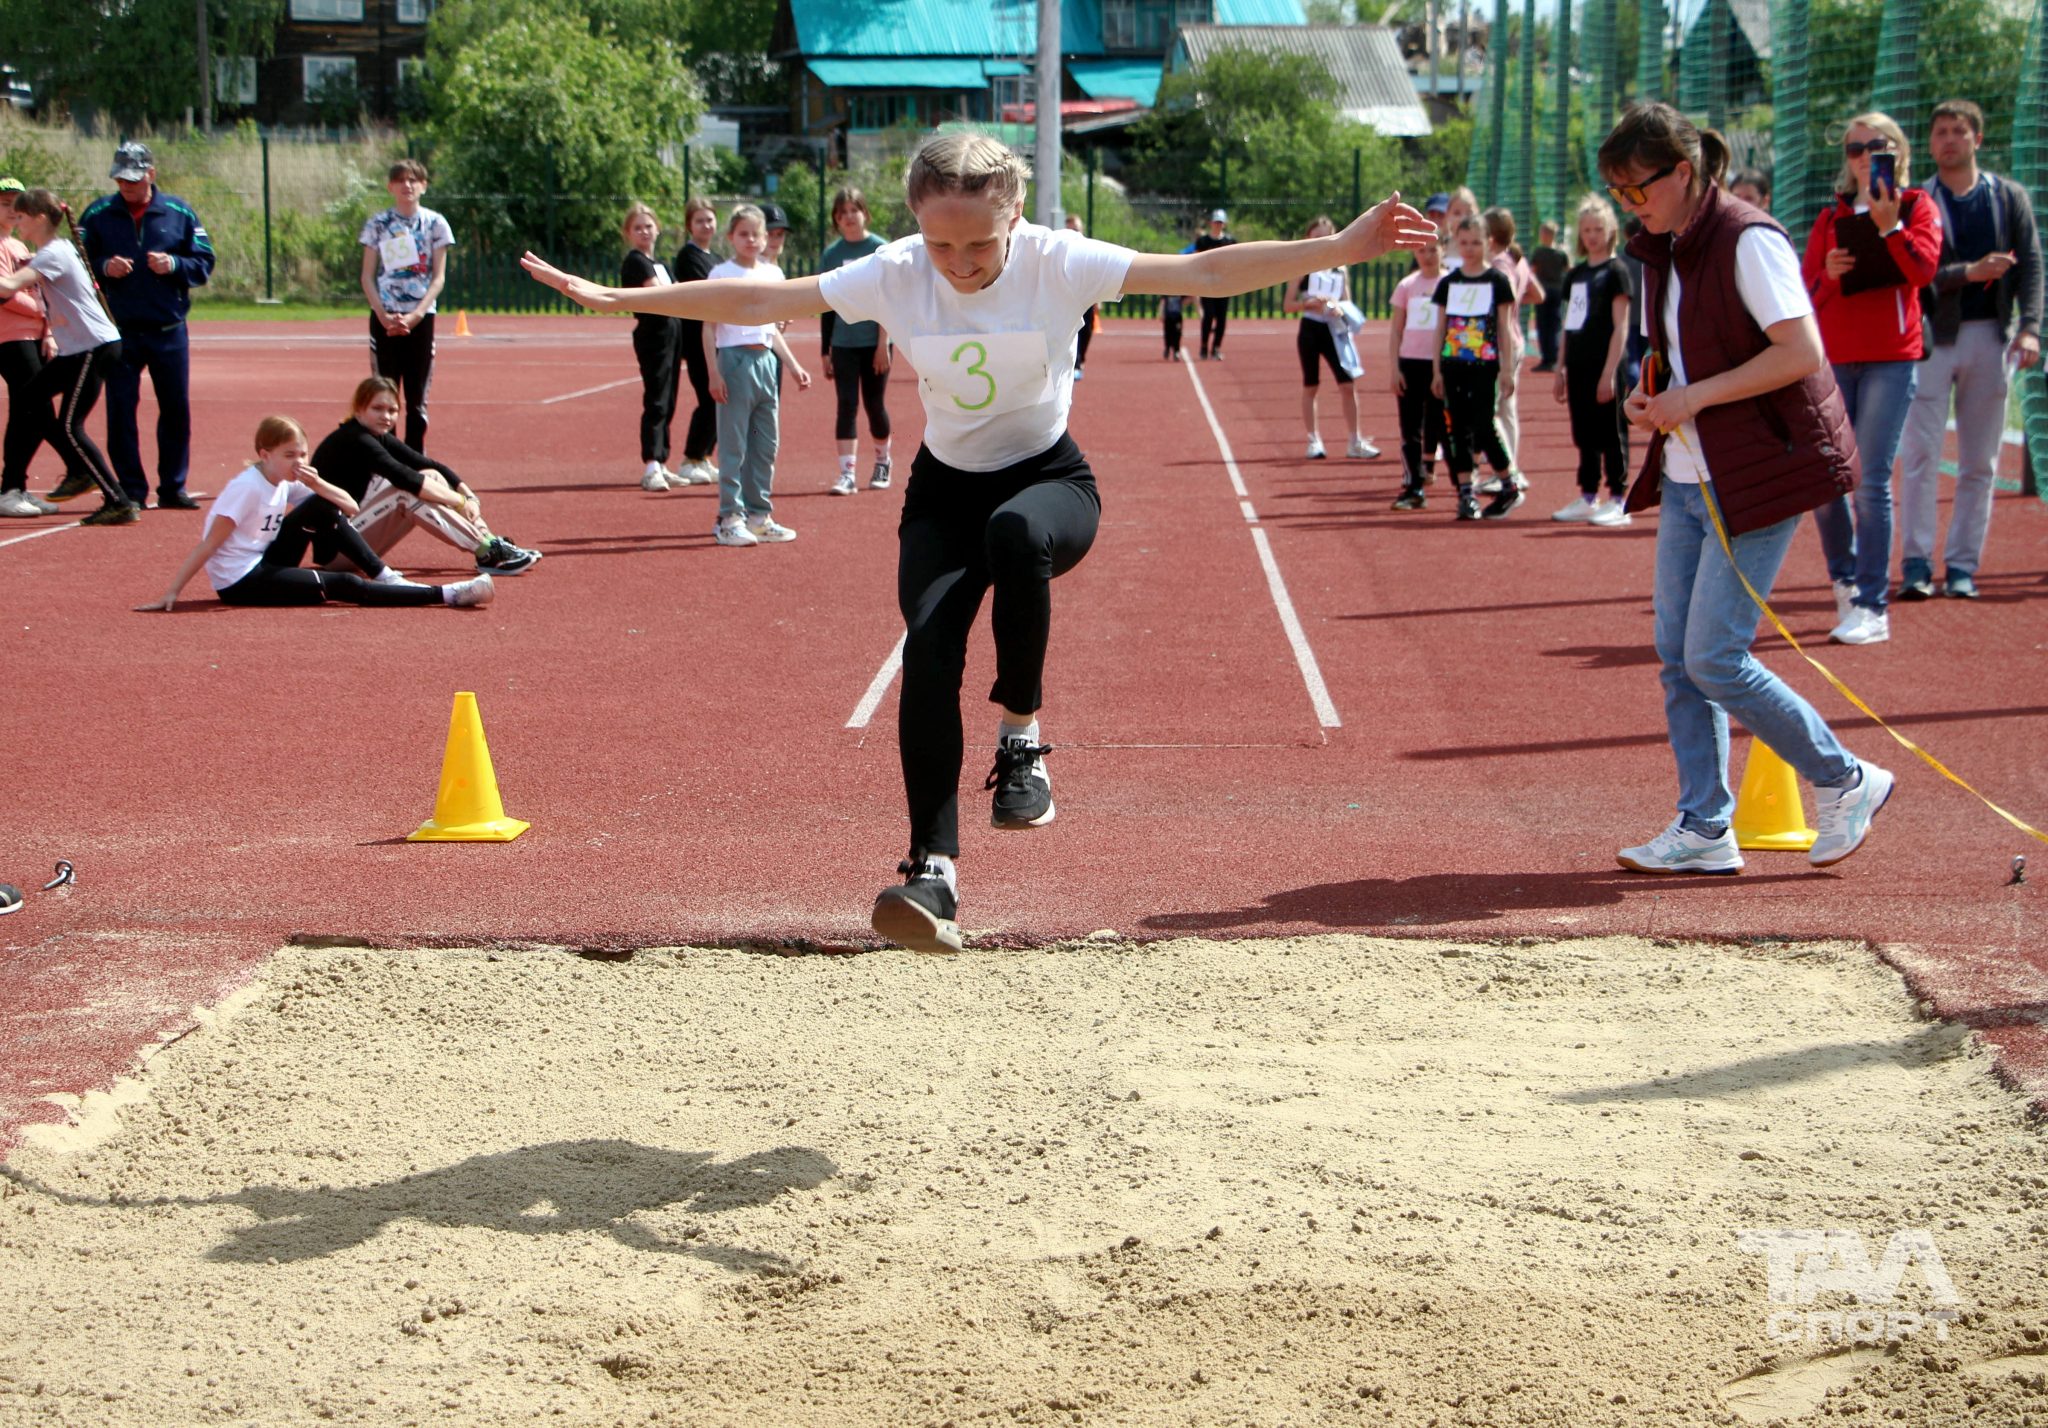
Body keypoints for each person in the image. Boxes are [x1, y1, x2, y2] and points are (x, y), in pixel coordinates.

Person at [521, 131, 1434, 953]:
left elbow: (1200, 274)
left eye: (978, 244)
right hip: (942, 493)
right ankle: (933, 872)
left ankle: (1024, 738)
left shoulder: (1058, 263)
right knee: (928, 653)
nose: (957, 264)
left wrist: (1340, 250)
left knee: (1014, 533)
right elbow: (773, 293)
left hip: (1049, 482)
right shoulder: (895, 270)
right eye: (941, 243)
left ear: (1017, 219)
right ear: (916, 226)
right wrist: (621, 299)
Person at [1600, 101, 1892, 876]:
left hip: (1758, 472)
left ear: (1683, 173)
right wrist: (1653, 390)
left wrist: (1691, 400)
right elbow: (1682, 355)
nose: (1632, 205)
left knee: (1715, 658)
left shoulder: (1747, 238)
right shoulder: (1663, 250)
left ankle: (1845, 778)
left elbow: (1800, 351)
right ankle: (1704, 824)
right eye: (1622, 194)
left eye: (1639, 189)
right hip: (1692, 472)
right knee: (1676, 656)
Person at [1799, 111, 1941, 646]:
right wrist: (1827, 275)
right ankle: (1844, 578)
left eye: (1873, 146)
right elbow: (1804, 293)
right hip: (1835, 358)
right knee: (1827, 479)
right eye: (1854, 148)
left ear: (1896, 151)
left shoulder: (1917, 207)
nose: (1862, 156)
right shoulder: (1828, 216)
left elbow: (1924, 271)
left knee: (1872, 480)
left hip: (1890, 358)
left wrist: (1890, 230)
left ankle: (1872, 603)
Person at [1897, 98, 2042, 602]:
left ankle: (1962, 566)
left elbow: (2033, 268)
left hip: (1992, 339)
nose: (1949, 139)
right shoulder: (1917, 201)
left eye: (1959, 131)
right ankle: (1916, 562)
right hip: (1934, 340)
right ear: (1930, 143)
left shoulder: (2008, 197)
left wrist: (2031, 329)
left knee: (1980, 461)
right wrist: (1967, 274)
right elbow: (1911, 272)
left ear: (1977, 139)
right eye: (1940, 132)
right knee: (1919, 454)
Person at [137, 415, 495, 612]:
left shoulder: (284, 480)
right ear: (265, 454)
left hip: (268, 558)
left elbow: (348, 508)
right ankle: (447, 594)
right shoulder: (246, 489)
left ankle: (386, 575)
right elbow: (208, 546)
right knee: (348, 586)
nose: (299, 462)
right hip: (242, 581)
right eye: (290, 455)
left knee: (322, 506)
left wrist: (318, 482)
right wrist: (172, 593)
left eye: (303, 454)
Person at [76, 141, 213, 510]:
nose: (127, 186)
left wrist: (174, 265)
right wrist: (105, 267)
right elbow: (78, 262)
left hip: (169, 329)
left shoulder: (179, 212)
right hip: (118, 333)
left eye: (134, 179)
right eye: (121, 179)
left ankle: (172, 487)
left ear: (151, 174)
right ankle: (131, 489)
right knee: (120, 410)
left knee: (175, 409)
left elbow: (204, 262)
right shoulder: (98, 213)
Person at [312, 376, 541, 578]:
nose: (386, 416)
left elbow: (429, 465)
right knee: (405, 493)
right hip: (338, 550)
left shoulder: (375, 434)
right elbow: (405, 478)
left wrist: (469, 496)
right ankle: (485, 548)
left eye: (392, 411)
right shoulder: (355, 438)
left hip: (358, 533)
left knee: (432, 476)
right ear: (359, 409)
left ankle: (490, 542)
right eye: (378, 408)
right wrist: (458, 501)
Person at [0, 189, 132, 525]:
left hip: (93, 347)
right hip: (81, 349)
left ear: (41, 218)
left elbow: (8, 287)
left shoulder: (53, 253)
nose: (18, 222)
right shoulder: (51, 251)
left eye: (23, 216)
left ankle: (117, 500)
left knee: (70, 427)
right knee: (29, 398)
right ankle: (24, 483)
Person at [704, 203, 810, 546]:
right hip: (733, 362)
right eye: (743, 233)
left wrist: (793, 366)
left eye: (757, 234)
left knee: (765, 444)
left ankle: (759, 515)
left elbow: (772, 329)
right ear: (731, 237)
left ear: (767, 239)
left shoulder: (773, 276)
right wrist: (713, 374)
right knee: (734, 444)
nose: (751, 240)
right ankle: (728, 517)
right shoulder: (720, 275)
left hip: (765, 362)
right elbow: (708, 328)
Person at [1550, 194, 1634, 526]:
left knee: (1612, 433)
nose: (1592, 235)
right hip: (1579, 365)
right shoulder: (1575, 276)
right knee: (1584, 433)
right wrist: (1560, 368)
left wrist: (1610, 372)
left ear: (1610, 230)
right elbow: (1568, 325)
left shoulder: (1617, 272)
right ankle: (1588, 495)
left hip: (1606, 364)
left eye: (1598, 228)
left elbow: (1621, 325)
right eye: (1586, 229)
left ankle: (1618, 498)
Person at [359, 159, 455, 452]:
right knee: (384, 393)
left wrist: (416, 314)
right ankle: (384, 458)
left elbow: (438, 278)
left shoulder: (436, 224)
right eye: (401, 180)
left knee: (416, 398)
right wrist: (383, 315)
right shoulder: (378, 224)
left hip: (420, 317)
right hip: (385, 317)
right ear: (391, 187)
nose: (407, 185)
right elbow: (367, 275)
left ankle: (414, 459)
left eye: (413, 180)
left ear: (423, 186)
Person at [1431, 215, 1521, 520]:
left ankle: (1508, 483)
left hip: (1485, 364)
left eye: (1476, 243)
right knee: (1457, 428)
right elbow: (1440, 327)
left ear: (1488, 243)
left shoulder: (1497, 281)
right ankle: (1466, 493)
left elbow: (1505, 328)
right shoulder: (1449, 282)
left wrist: (1507, 369)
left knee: (1483, 424)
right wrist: (1436, 370)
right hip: (1453, 363)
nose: (1469, 249)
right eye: (1464, 243)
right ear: (1456, 243)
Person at [1282, 214, 1377, 460]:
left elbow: (1348, 301)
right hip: (1311, 330)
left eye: (1327, 236)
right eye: (1317, 237)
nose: (1323, 241)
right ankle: (1314, 440)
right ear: (1308, 238)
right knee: (1311, 385)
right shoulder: (1301, 267)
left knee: (1347, 384)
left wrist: (1339, 306)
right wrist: (1309, 303)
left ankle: (1354, 441)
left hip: (1335, 330)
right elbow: (1287, 305)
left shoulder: (1340, 267)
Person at [821, 187, 893, 495]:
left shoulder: (881, 250)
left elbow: (889, 301)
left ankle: (883, 462)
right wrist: (825, 350)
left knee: (874, 405)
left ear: (865, 213)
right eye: (842, 213)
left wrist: (883, 345)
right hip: (843, 343)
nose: (849, 217)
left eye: (854, 210)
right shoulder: (831, 254)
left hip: (873, 343)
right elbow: (826, 304)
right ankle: (846, 473)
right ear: (836, 220)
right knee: (846, 405)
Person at [0, 177, 59, 520]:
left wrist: (48, 328)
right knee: (36, 410)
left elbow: (41, 290)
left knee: (30, 411)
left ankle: (14, 487)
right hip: (10, 336)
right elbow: (7, 295)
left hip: (33, 335)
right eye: (5, 203)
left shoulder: (22, 246)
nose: (11, 210)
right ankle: (11, 487)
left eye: (16, 204)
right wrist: (42, 312)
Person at [620, 202, 683, 492]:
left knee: (669, 397)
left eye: (648, 225)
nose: (644, 231)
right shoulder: (635, 262)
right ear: (628, 233)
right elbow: (660, 295)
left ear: (657, 228)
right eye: (638, 227)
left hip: (671, 332)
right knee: (657, 398)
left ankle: (662, 459)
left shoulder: (661, 263)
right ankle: (651, 465)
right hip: (653, 334)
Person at [1482, 206, 1541, 487]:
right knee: (1507, 408)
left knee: (1492, 411)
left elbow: (1500, 304)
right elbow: (1537, 294)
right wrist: (1517, 302)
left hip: (1502, 342)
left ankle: (1506, 470)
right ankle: (1511, 468)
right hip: (1516, 338)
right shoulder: (1518, 261)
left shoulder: (1498, 266)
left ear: (1490, 238)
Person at [1387, 233, 1447, 510]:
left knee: (1437, 420)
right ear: (1414, 254)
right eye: (1422, 250)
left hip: (1441, 363)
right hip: (1410, 361)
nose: (1428, 255)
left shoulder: (1450, 283)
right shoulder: (1407, 286)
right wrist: (1394, 368)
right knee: (1409, 426)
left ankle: (1439, 470)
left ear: (1443, 251)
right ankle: (1414, 485)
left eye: (1433, 250)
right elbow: (1396, 330)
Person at [668, 196, 721, 486]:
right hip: (697, 337)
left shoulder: (712, 256)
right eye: (699, 220)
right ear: (690, 225)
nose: (706, 224)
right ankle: (690, 458)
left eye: (709, 219)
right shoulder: (688, 257)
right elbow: (707, 295)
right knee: (708, 398)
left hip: (715, 337)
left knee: (718, 398)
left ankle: (702, 456)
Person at [1194, 209, 1235, 359]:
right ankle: (1204, 346)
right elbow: (1196, 260)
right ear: (1211, 223)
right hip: (1208, 284)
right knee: (1208, 316)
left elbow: (1234, 261)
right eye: (1216, 222)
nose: (1218, 225)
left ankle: (1216, 347)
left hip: (1224, 284)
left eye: (1220, 222)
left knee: (1222, 318)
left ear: (1224, 224)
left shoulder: (1230, 241)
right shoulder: (1203, 241)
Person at [1529, 220, 1570, 371]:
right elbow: (1568, 270)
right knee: (1555, 324)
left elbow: (1532, 271)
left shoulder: (1538, 252)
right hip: (1557, 291)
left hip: (1543, 291)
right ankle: (1554, 358)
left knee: (1544, 325)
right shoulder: (1561, 253)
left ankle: (1548, 359)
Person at [1064, 214, 1098, 379]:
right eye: (1069, 229)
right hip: (1068, 299)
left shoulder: (1089, 248)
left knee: (1087, 329)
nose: (1073, 233)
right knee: (1070, 330)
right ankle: (1074, 364)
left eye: (1076, 229)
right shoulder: (1060, 251)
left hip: (1087, 297)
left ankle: (1081, 359)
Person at [1160, 292, 1185, 360]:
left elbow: (1188, 299)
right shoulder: (1167, 290)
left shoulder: (1181, 290)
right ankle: (1167, 348)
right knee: (1168, 333)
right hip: (1168, 316)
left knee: (1177, 334)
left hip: (1177, 316)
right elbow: (1162, 301)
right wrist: (1161, 313)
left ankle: (1176, 351)